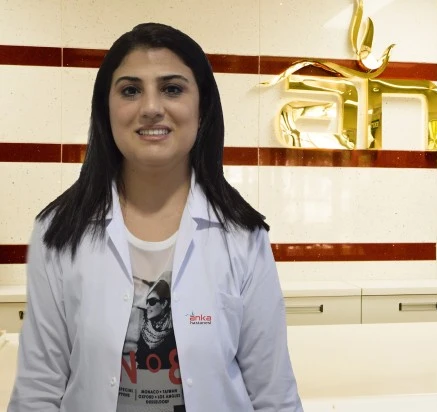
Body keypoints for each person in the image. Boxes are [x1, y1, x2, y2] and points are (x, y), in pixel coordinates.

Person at [8, 22, 303, 411]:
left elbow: (273, 394)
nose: (150, 108)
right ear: (106, 110)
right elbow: (39, 390)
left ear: (202, 109)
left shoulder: (243, 236)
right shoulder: (59, 233)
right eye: (130, 90)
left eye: (172, 89)